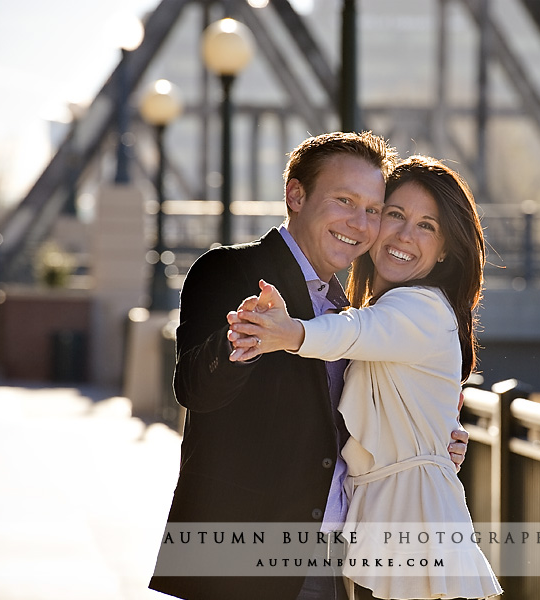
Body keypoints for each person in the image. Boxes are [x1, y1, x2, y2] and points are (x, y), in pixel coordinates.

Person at [148, 132, 469, 600]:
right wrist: (244, 338)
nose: (359, 223)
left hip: (334, 558)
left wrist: (425, 441)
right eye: (344, 200)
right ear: (295, 195)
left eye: (373, 210)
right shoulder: (229, 271)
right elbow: (195, 389)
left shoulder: (354, 311)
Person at [228, 156, 502, 599]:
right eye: (394, 215)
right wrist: (433, 438)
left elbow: (353, 333)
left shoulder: (422, 307)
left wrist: (288, 332)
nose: (404, 235)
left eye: (427, 226)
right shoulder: (389, 309)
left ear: (447, 248)